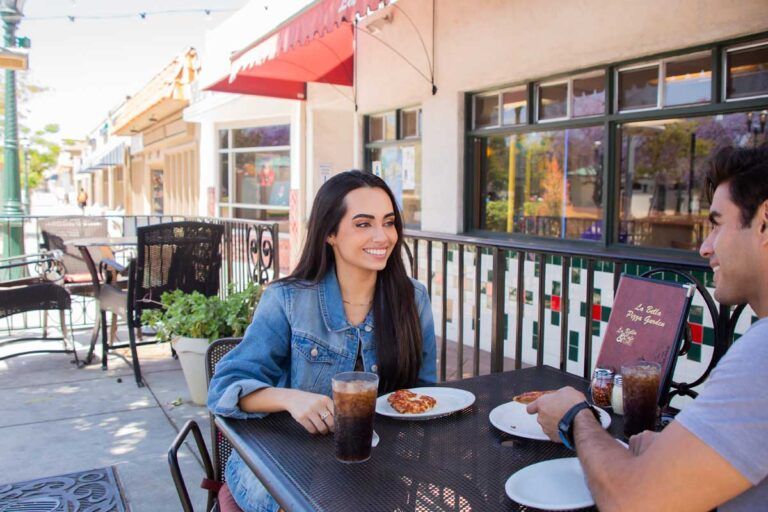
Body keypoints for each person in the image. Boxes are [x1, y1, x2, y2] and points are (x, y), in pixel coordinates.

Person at [528, 145, 768, 512]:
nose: (705, 248)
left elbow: (632, 501)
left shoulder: (761, 354)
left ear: (764, 223)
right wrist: (679, 451)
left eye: (717, 224)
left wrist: (576, 418)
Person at [208, 170, 437, 512]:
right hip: (280, 471)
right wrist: (290, 399)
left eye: (388, 222)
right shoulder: (287, 299)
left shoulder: (412, 298)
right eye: (363, 224)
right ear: (330, 232)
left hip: (371, 469)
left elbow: (425, 392)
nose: (382, 236)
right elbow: (224, 389)